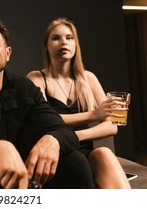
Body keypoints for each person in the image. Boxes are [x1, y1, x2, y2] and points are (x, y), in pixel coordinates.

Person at [0, 16, 94, 189]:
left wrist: (52, 140)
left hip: (24, 178)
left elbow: (63, 130)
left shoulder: (24, 87)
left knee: (74, 160)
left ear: (7, 53)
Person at [27, 17, 131, 189]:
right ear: (46, 46)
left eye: (69, 38)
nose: (64, 43)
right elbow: (44, 120)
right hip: (54, 153)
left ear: (76, 44)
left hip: (82, 150)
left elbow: (112, 126)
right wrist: (93, 115)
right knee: (77, 162)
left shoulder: (88, 78)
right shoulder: (37, 78)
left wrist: (75, 137)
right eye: (56, 38)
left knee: (104, 153)